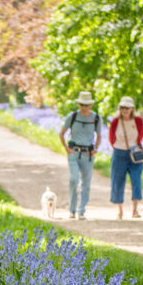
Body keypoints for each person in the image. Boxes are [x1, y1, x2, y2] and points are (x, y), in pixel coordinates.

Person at [59, 91, 102, 220]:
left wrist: (95, 149)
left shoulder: (96, 118)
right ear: (78, 104)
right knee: (73, 179)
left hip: (87, 155)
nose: (84, 107)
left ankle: (81, 209)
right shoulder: (72, 117)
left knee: (86, 183)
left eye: (87, 105)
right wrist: (67, 148)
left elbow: (99, 135)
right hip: (74, 152)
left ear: (90, 105)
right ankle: (71, 209)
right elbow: (62, 133)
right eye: (82, 104)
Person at [109, 95, 143, 219]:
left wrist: (133, 147)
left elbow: (141, 135)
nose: (125, 110)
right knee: (118, 181)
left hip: (135, 152)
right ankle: (120, 210)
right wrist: (119, 147)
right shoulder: (115, 121)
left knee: (136, 180)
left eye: (127, 108)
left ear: (132, 109)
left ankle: (135, 210)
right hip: (119, 153)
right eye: (123, 108)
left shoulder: (138, 121)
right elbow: (111, 137)